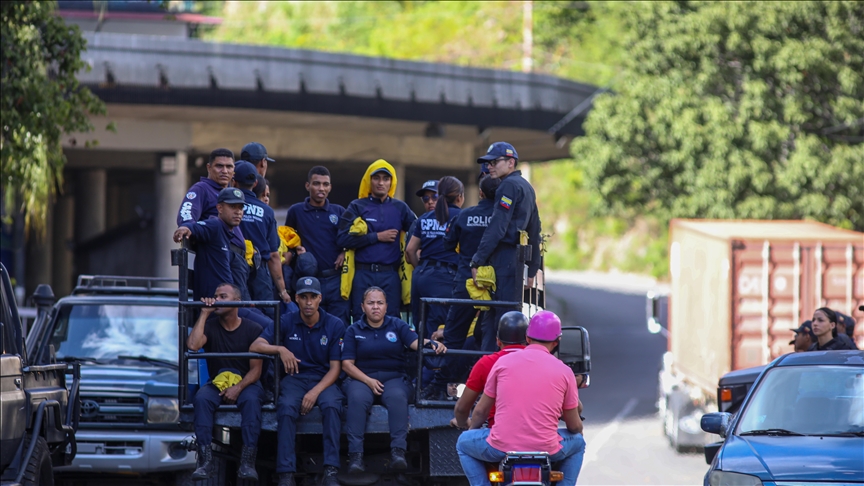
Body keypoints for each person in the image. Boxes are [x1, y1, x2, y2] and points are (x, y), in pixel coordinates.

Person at [456, 310, 585, 486]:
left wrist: (473, 430)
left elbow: (480, 411)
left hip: (500, 447)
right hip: (547, 449)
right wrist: (578, 427)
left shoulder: (502, 363)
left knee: (463, 443)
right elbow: (574, 425)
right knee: (578, 443)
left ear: (528, 338)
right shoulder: (564, 371)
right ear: (556, 342)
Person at [249, 277, 344, 486]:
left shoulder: (334, 324)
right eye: (303, 297)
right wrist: (281, 349)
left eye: (312, 297)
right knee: (285, 408)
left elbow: (336, 368)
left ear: (320, 298)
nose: (308, 302)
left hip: (324, 379)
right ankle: (286, 474)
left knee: (331, 406)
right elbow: (256, 346)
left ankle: (331, 471)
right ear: (296, 299)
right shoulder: (286, 321)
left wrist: (314, 393)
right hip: (295, 378)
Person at [341, 287, 446, 473]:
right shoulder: (353, 329)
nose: (375, 307)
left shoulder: (397, 325)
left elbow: (415, 342)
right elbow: (347, 365)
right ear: (362, 307)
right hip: (361, 379)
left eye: (379, 303)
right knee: (356, 399)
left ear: (386, 306)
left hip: (394, 378)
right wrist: (368, 381)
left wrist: (432, 343)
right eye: (371, 303)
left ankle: (398, 453)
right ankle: (355, 457)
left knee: (398, 397)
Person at [187, 283, 264, 481]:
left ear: (237, 302)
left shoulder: (253, 329)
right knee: (202, 399)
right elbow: (193, 345)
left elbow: (256, 370)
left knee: (251, 401)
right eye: (215, 296)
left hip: (246, 383)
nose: (217, 300)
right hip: (218, 383)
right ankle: (205, 462)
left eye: (223, 296)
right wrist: (204, 313)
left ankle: (247, 463)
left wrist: (237, 388)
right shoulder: (211, 325)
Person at [471, 142, 542, 336]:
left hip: (505, 259)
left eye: (494, 162)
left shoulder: (508, 185)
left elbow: (497, 227)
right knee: (512, 319)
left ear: (511, 162)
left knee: (498, 324)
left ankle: (495, 364)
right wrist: (533, 269)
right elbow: (535, 231)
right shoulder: (527, 187)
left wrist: (477, 260)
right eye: (488, 163)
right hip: (519, 261)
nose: (489, 167)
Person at [337, 161, 416, 321]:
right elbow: (342, 239)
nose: (381, 183)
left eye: (386, 179)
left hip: (390, 275)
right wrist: (377, 237)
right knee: (360, 320)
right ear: (369, 180)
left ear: (392, 182)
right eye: (377, 178)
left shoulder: (400, 208)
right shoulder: (357, 206)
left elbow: (418, 231)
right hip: (362, 274)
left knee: (392, 321)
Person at [285, 166, 350, 325]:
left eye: (325, 184)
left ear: (330, 187)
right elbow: (287, 242)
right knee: (309, 327)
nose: (321, 188)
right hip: (308, 282)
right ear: (308, 186)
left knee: (339, 326)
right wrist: (296, 250)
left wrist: (344, 252)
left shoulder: (339, 211)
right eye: (316, 183)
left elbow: (348, 240)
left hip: (335, 279)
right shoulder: (296, 211)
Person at [446, 175, 502, 353]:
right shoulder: (504, 218)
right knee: (494, 337)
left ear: (480, 193)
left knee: (453, 337)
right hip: (496, 286)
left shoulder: (465, 215)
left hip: (466, 282)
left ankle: (446, 380)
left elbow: (447, 244)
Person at [451, 311, 528, 430]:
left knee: (463, 443)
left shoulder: (486, 363)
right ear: (528, 339)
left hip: (498, 434)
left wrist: (465, 424)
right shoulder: (544, 363)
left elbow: (463, 409)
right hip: (540, 438)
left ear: (497, 340)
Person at [407, 176, 464, 336]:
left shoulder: (424, 218)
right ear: (459, 196)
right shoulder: (462, 216)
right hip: (444, 277)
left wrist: (423, 269)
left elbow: (410, 250)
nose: (430, 201)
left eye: (434, 196)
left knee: (421, 325)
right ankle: (434, 362)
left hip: (421, 276)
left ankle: (421, 361)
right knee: (439, 328)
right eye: (425, 198)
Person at [173, 187, 250, 301]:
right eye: (232, 207)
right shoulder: (215, 225)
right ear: (219, 208)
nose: (238, 212)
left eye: (240, 207)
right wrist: (185, 227)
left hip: (229, 306)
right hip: (215, 307)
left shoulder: (227, 232)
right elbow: (198, 227)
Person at [233, 161, 290, 305]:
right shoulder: (267, 211)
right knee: (265, 316)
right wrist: (283, 291)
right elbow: (273, 255)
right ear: (256, 183)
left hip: (233, 271)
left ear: (233, 182)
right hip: (260, 274)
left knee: (237, 312)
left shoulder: (228, 206)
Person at [177, 148, 236, 226]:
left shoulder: (234, 193)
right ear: (209, 168)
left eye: (229, 166)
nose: (225, 171)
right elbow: (185, 217)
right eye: (219, 166)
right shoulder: (201, 189)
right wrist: (188, 228)